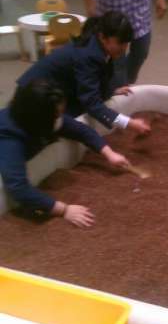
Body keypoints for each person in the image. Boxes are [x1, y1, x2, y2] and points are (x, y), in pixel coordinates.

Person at [0, 81, 130, 228]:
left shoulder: (39, 115)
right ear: (39, 118)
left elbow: (81, 130)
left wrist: (110, 154)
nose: (61, 118)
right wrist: (64, 209)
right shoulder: (10, 139)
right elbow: (18, 188)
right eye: (56, 115)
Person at [17, 11, 150, 135]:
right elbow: (91, 103)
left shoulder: (97, 43)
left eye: (126, 44)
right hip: (32, 97)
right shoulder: (89, 55)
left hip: (55, 88)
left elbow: (94, 80)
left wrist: (110, 91)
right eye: (120, 43)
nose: (124, 48)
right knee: (64, 125)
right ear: (103, 37)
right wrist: (129, 123)